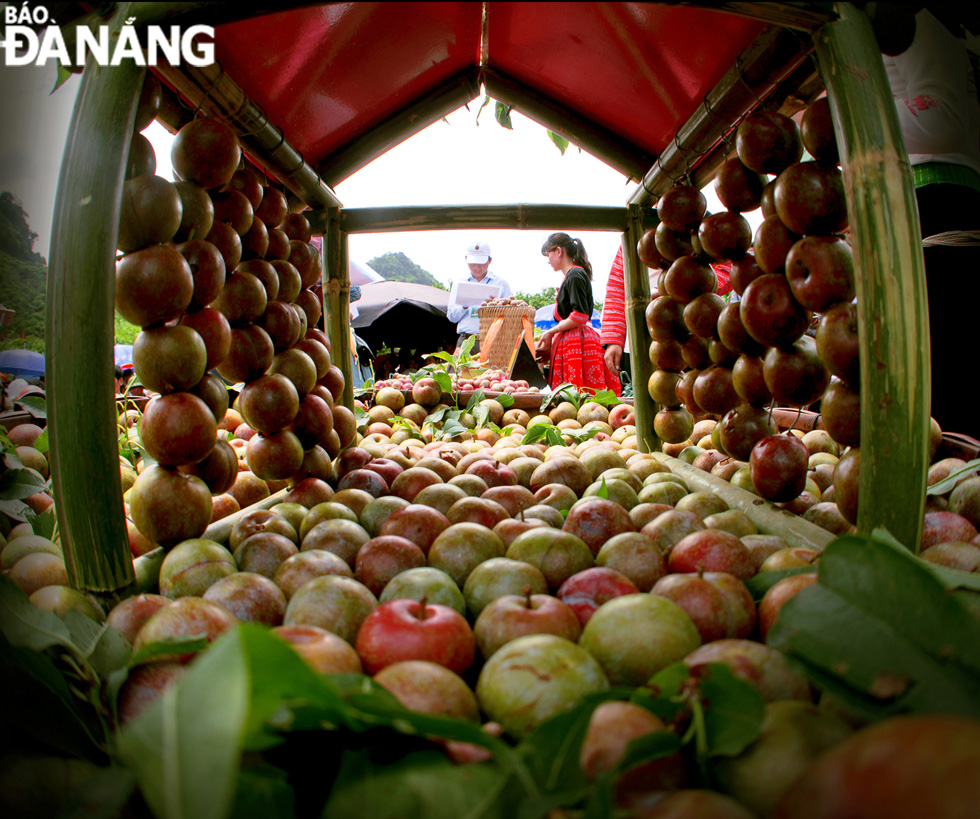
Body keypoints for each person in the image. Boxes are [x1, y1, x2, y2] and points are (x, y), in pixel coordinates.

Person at [882, 7, 980, 437]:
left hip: (940, 204)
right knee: (929, 376)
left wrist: (855, 119)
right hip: (917, 209)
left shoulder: (917, 21)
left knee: (949, 376)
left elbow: (945, 122)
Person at [536, 232, 620, 394]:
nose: (548, 260)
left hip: (577, 341)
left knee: (578, 393)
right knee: (577, 394)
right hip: (574, 339)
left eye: (549, 254)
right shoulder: (573, 275)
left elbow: (579, 316)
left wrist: (550, 332)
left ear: (558, 251)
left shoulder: (574, 275)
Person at [446, 240, 512, 354]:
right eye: (473, 263)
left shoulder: (501, 284)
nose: (477, 267)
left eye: (481, 263)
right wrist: (464, 305)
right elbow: (452, 317)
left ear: (489, 260)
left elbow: (511, 316)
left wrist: (499, 307)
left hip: (493, 340)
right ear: (466, 259)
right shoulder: (459, 283)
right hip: (465, 340)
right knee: (462, 372)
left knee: (492, 372)